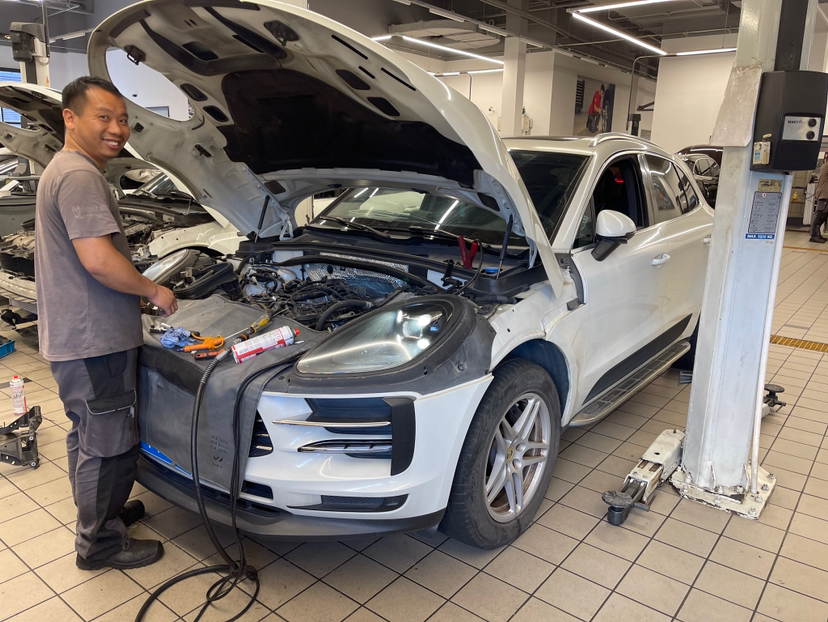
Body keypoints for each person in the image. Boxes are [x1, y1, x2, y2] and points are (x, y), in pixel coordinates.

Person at [35, 76, 178, 570]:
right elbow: (98, 260)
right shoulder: (80, 175)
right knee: (108, 444)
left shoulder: (63, 167)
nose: (117, 129)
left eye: (123, 119)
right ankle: (99, 544)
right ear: (70, 118)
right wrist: (152, 290)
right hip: (94, 339)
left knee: (87, 435)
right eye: (104, 117)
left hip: (76, 335)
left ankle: (104, 516)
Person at [810, 151, 828, 243]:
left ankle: (817, 235)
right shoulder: (826, 166)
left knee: (822, 216)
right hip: (824, 195)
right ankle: (814, 236)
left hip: (824, 195)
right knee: (820, 215)